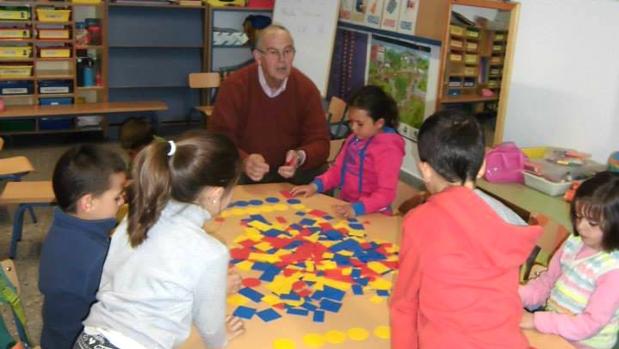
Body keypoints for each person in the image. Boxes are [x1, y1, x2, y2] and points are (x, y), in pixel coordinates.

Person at [76, 130, 245, 349]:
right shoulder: (211, 252)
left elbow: (110, 280)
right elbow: (210, 325)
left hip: (90, 340)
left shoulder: (136, 217)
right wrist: (221, 341)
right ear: (215, 193)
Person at [390, 110, 542, 349]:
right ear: (482, 166)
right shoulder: (508, 220)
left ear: (425, 169)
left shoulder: (420, 221)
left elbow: (405, 303)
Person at [210, 24, 329, 185]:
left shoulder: (306, 89)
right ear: (258, 57)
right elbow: (219, 140)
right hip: (248, 170)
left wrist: (300, 156)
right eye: (274, 52)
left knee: (321, 172)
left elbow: (321, 142)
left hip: (289, 171)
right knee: (221, 171)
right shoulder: (235, 86)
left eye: (287, 51)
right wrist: (244, 160)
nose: (282, 60)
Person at [39, 145, 127, 349]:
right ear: (88, 203)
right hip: (79, 342)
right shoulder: (95, 256)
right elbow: (125, 306)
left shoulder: (63, 229)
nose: (122, 201)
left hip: (56, 338)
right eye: (116, 197)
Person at [520, 171, 619, 349]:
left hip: (583, 343)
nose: (581, 227)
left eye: (593, 223)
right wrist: (515, 296)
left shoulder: (613, 270)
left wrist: (536, 320)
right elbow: (546, 283)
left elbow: (590, 325)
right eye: (579, 216)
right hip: (553, 328)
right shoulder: (574, 242)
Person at [290, 85, 405, 218]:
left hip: (375, 214)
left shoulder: (389, 149)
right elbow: (337, 171)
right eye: (351, 122)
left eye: (360, 124)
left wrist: (357, 208)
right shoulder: (353, 140)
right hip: (348, 207)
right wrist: (315, 186)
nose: (354, 128)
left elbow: (386, 194)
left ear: (379, 123)